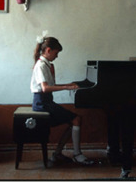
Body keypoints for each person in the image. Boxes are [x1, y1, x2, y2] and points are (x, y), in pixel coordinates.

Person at [31, 33, 94, 166]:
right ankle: (76, 155)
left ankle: (58, 154)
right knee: (76, 119)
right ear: (48, 51)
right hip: (42, 103)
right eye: (56, 53)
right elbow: (45, 88)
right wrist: (66, 87)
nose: (57, 56)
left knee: (74, 120)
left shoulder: (45, 64)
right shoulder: (41, 65)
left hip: (45, 101)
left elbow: (50, 86)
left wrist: (69, 85)